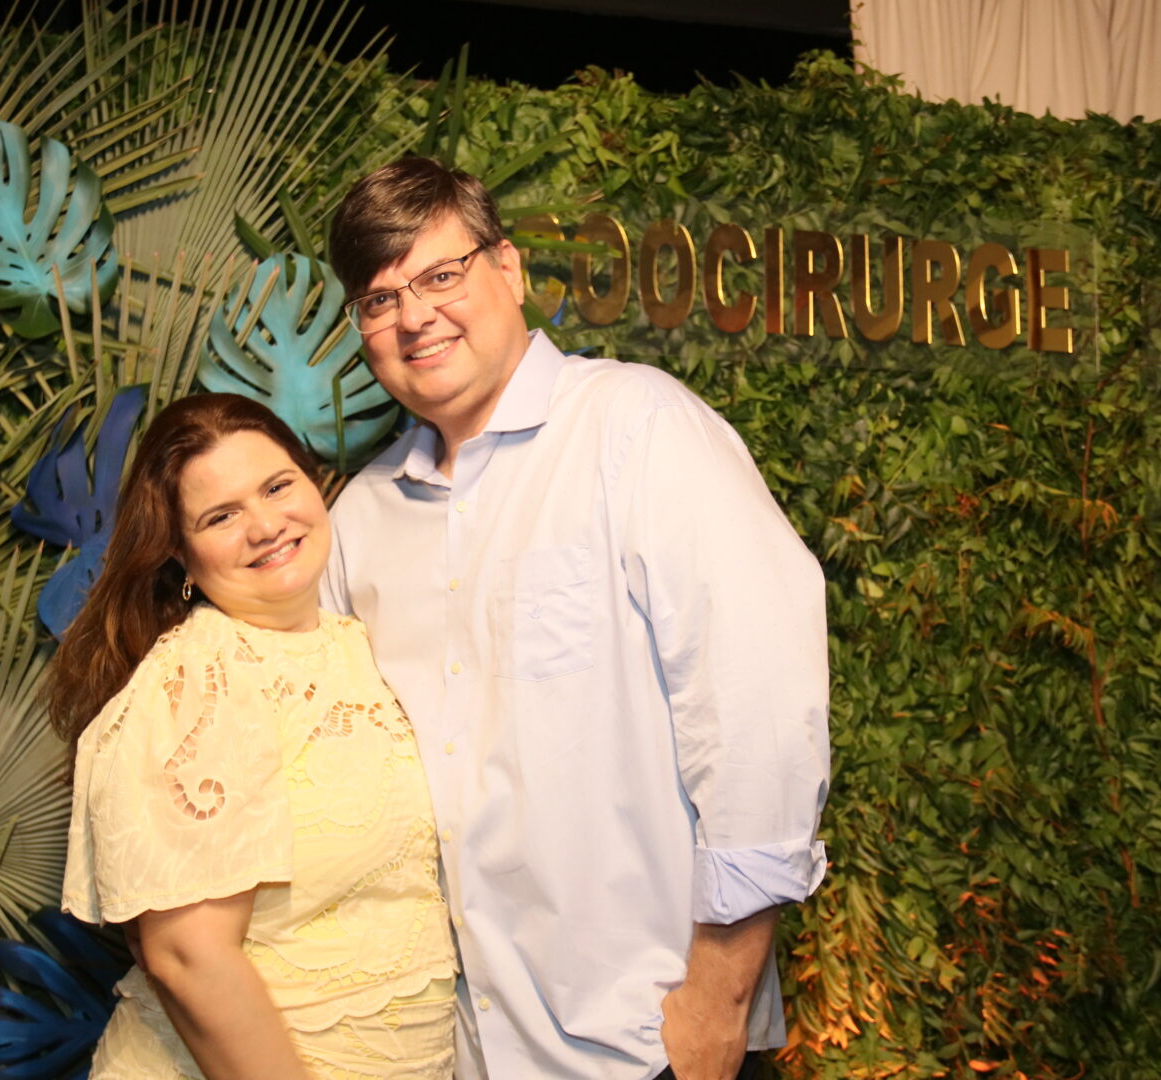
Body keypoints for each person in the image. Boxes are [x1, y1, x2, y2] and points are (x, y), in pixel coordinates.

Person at [322, 157, 832, 1080]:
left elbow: (756, 706)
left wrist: (716, 999)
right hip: (457, 1054)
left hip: (649, 1041)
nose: (415, 316)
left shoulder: (636, 429)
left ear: (508, 269)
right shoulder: (358, 522)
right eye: (380, 299)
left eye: (442, 275)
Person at [48, 394, 457, 1080]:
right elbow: (187, 958)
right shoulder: (197, 680)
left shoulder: (354, 641)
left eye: (276, 487)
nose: (265, 526)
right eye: (221, 516)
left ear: (314, 483)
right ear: (179, 552)